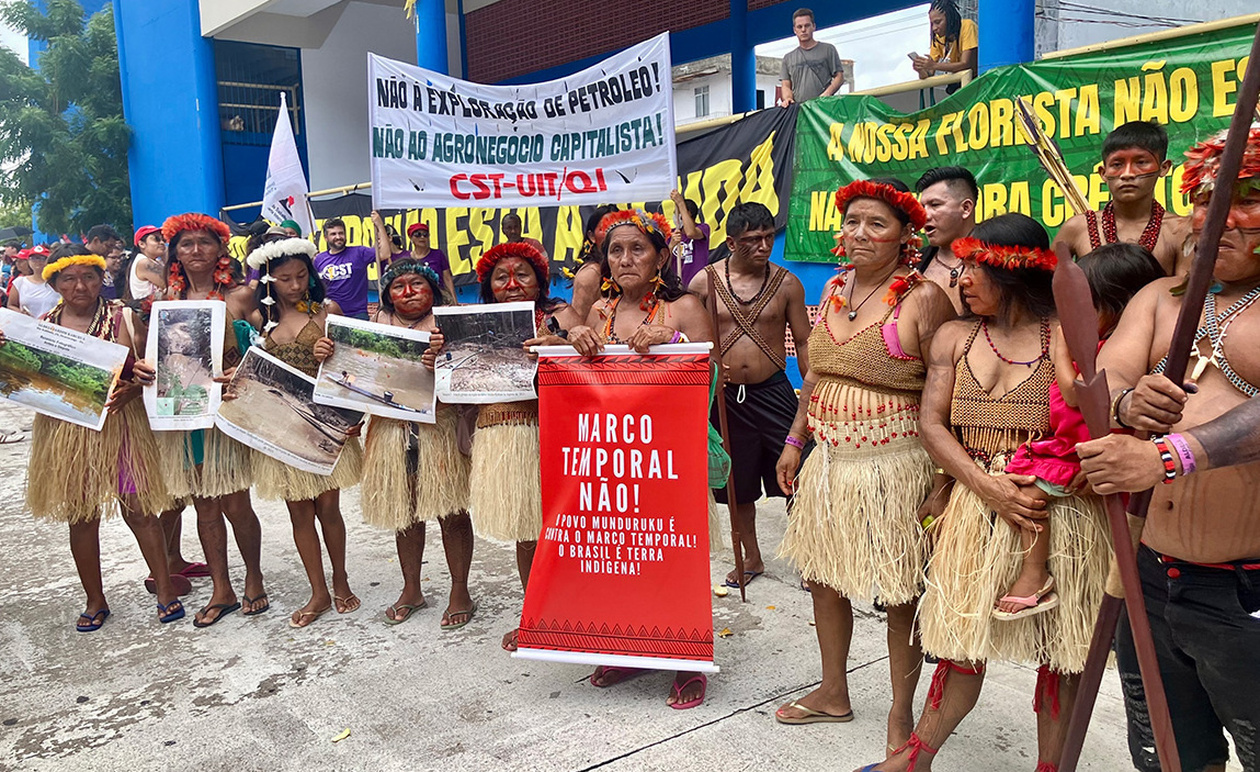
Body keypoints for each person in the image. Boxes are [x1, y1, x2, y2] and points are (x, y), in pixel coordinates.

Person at [856, 214, 1110, 772]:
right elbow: (932, 425)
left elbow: (1097, 415)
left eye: (973, 266)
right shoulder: (955, 334)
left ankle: (1052, 767)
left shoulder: (1065, 333)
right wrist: (983, 488)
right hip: (978, 507)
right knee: (957, 639)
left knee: (1062, 654)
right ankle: (915, 758)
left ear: (1010, 269)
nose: (961, 279)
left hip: (1059, 513)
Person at [1077, 124, 1260, 772]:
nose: (1223, 222)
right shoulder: (1161, 298)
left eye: (1247, 202)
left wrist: (1167, 455)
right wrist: (1128, 404)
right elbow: (1112, 372)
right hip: (1150, 575)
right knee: (1169, 754)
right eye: (1210, 203)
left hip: (1246, 590)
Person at [771, 180, 954, 745]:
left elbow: (951, 392)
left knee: (901, 591)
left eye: (876, 223)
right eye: (852, 221)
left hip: (897, 465)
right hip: (829, 460)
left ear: (906, 236)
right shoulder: (832, 290)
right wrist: (795, 441)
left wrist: (946, 479)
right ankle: (834, 692)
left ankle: (901, 714)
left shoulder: (924, 299)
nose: (859, 233)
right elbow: (818, 373)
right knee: (823, 578)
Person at [558, 207, 719, 710]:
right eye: (615, 251)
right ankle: (630, 648)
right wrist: (573, 339)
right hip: (614, 461)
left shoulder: (684, 306)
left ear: (660, 257)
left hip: (668, 458)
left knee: (676, 560)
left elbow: (713, 372)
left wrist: (672, 342)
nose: (626, 259)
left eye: (637, 249)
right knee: (623, 562)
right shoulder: (600, 312)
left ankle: (688, 660)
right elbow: (581, 385)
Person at [12, 245, 182, 630]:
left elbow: (152, 366)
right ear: (54, 283)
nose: (80, 286)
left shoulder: (122, 316)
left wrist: (138, 385)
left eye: (89, 276)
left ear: (100, 278)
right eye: (69, 278)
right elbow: (27, 380)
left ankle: (166, 590)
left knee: (139, 510)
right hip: (68, 432)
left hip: (121, 427)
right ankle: (95, 598)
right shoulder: (42, 329)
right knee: (81, 517)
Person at [996, 243, 1164, 620]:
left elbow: (1075, 395)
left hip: (1086, 451)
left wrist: (1059, 352)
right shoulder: (1090, 342)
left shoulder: (1110, 351)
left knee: (1030, 493)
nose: (1072, 318)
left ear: (1120, 309)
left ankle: (1034, 574)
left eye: (1085, 307)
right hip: (1068, 444)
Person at [425, 240, 573, 651]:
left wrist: (565, 342)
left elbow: (589, 355)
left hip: (558, 430)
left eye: (522, 275)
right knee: (527, 532)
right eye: (501, 278)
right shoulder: (470, 323)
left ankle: (575, 611)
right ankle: (537, 614)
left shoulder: (561, 315)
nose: (512, 284)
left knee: (569, 531)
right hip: (505, 433)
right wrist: (441, 357)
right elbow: (454, 391)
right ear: (489, 286)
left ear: (539, 279)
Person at [686, 201, 811, 589]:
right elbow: (691, 342)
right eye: (751, 240)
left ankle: (809, 559)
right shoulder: (703, 283)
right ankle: (750, 557)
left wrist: (814, 402)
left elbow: (805, 343)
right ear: (731, 242)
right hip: (725, 399)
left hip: (774, 392)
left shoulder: (787, 283)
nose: (762, 246)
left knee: (800, 478)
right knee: (736, 485)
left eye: (768, 237)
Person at [153, 213, 269, 626]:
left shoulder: (241, 296)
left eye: (205, 242)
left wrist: (239, 372)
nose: (196, 250)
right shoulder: (165, 300)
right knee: (203, 506)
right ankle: (223, 588)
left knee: (236, 504)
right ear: (175, 252)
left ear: (221, 249)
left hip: (226, 412)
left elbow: (262, 352)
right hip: (185, 414)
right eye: (186, 244)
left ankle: (253, 575)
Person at [247, 237, 364, 628]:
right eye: (285, 279)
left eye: (301, 276)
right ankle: (318, 590)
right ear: (269, 281)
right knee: (299, 512)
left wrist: (330, 357)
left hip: (325, 423)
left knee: (329, 508)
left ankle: (341, 579)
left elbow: (352, 367)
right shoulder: (259, 320)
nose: (295, 285)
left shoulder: (326, 311)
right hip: (281, 427)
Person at [359, 258, 477, 628]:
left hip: (439, 426)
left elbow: (470, 377)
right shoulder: (376, 323)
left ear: (433, 289)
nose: (408, 293)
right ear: (388, 295)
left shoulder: (449, 322)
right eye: (398, 286)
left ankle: (461, 590)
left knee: (452, 512)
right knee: (404, 513)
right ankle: (412, 588)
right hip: (391, 428)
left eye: (417, 284)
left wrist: (446, 358)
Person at [1051, 120, 1190, 275]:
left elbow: (1187, 296)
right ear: (1103, 173)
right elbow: (1045, 290)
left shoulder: (1179, 232)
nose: (1127, 174)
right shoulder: (1077, 228)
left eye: (1141, 162)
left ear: (1164, 168)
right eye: (1117, 165)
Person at [915, 166, 977, 314]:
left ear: (966, 208)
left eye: (935, 205)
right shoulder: (915, 265)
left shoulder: (995, 258)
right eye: (922, 207)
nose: (925, 215)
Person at [371, 211, 457, 302]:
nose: (422, 237)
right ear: (411, 238)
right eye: (418, 235)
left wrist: (454, 301)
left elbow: (447, 278)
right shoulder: (408, 257)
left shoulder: (438, 254)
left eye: (425, 235)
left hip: (437, 297)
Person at [314, 218, 378, 320]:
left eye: (341, 233)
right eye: (333, 234)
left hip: (358, 314)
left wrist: (379, 223)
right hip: (331, 314)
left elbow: (384, 254)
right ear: (326, 238)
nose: (338, 237)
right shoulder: (318, 259)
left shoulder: (359, 252)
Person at [779, 8, 844, 105]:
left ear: (813, 26)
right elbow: (785, 85)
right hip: (800, 110)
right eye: (799, 27)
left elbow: (839, 77)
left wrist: (827, 93)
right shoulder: (788, 58)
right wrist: (788, 98)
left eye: (807, 25)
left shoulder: (828, 49)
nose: (803, 30)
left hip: (824, 107)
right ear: (795, 30)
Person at [568, 204, 620, 323]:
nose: (612, 234)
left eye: (616, 227)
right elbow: (578, 325)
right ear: (591, 236)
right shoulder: (590, 274)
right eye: (605, 228)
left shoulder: (625, 267)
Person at [912, 0, 978, 89]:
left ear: (949, 18)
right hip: (958, 83)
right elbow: (929, 74)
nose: (934, 28)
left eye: (938, 22)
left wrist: (933, 65)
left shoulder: (967, 26)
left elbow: (965, 64)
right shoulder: (938, 38)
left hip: (977, 80)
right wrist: (921, 69)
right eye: (932, 24)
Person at [668, 190, 711, 288]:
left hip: (698, 286)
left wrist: (681, 203)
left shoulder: (703, 228)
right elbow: (664, 261)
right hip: (677, 287)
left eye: (677, 213)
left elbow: (691, 233)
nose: (675, 217)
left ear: (688, 213)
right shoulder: (671, 234)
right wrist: (671, 245)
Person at [6, 245, 59, 319]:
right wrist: (21, 313)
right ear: (28, 261)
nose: (37, 262)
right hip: (27, 326)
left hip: (52, 327)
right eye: (33, 258)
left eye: (42, 258)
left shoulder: (57, 283)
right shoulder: (19, 282)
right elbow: (11, 305)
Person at [129, 225, 167, 301]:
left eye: (163, 239)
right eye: (156, 239)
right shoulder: (144, 262)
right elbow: (172, 283)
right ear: (142, 244)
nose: (162, 242)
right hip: (147, 311)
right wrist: (166, 254)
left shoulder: (157, 261)